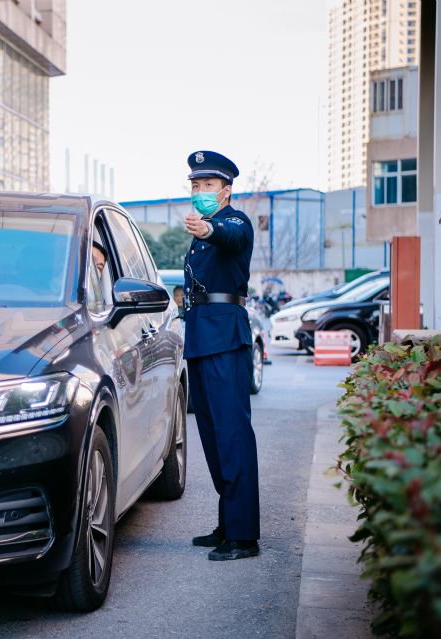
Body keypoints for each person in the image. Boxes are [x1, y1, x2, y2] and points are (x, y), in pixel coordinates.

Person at [181, 150, 260, 561]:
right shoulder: (199, 237)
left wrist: (209, 229)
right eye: (195, 185)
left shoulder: (235, 222)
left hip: (225, 338)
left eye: (208, 185)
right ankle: (229, 523)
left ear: (226, 191)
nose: (200, 191)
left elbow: (231, 237)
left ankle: (244, 537)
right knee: (213, 437)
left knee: (232, 435)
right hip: (200, 336)